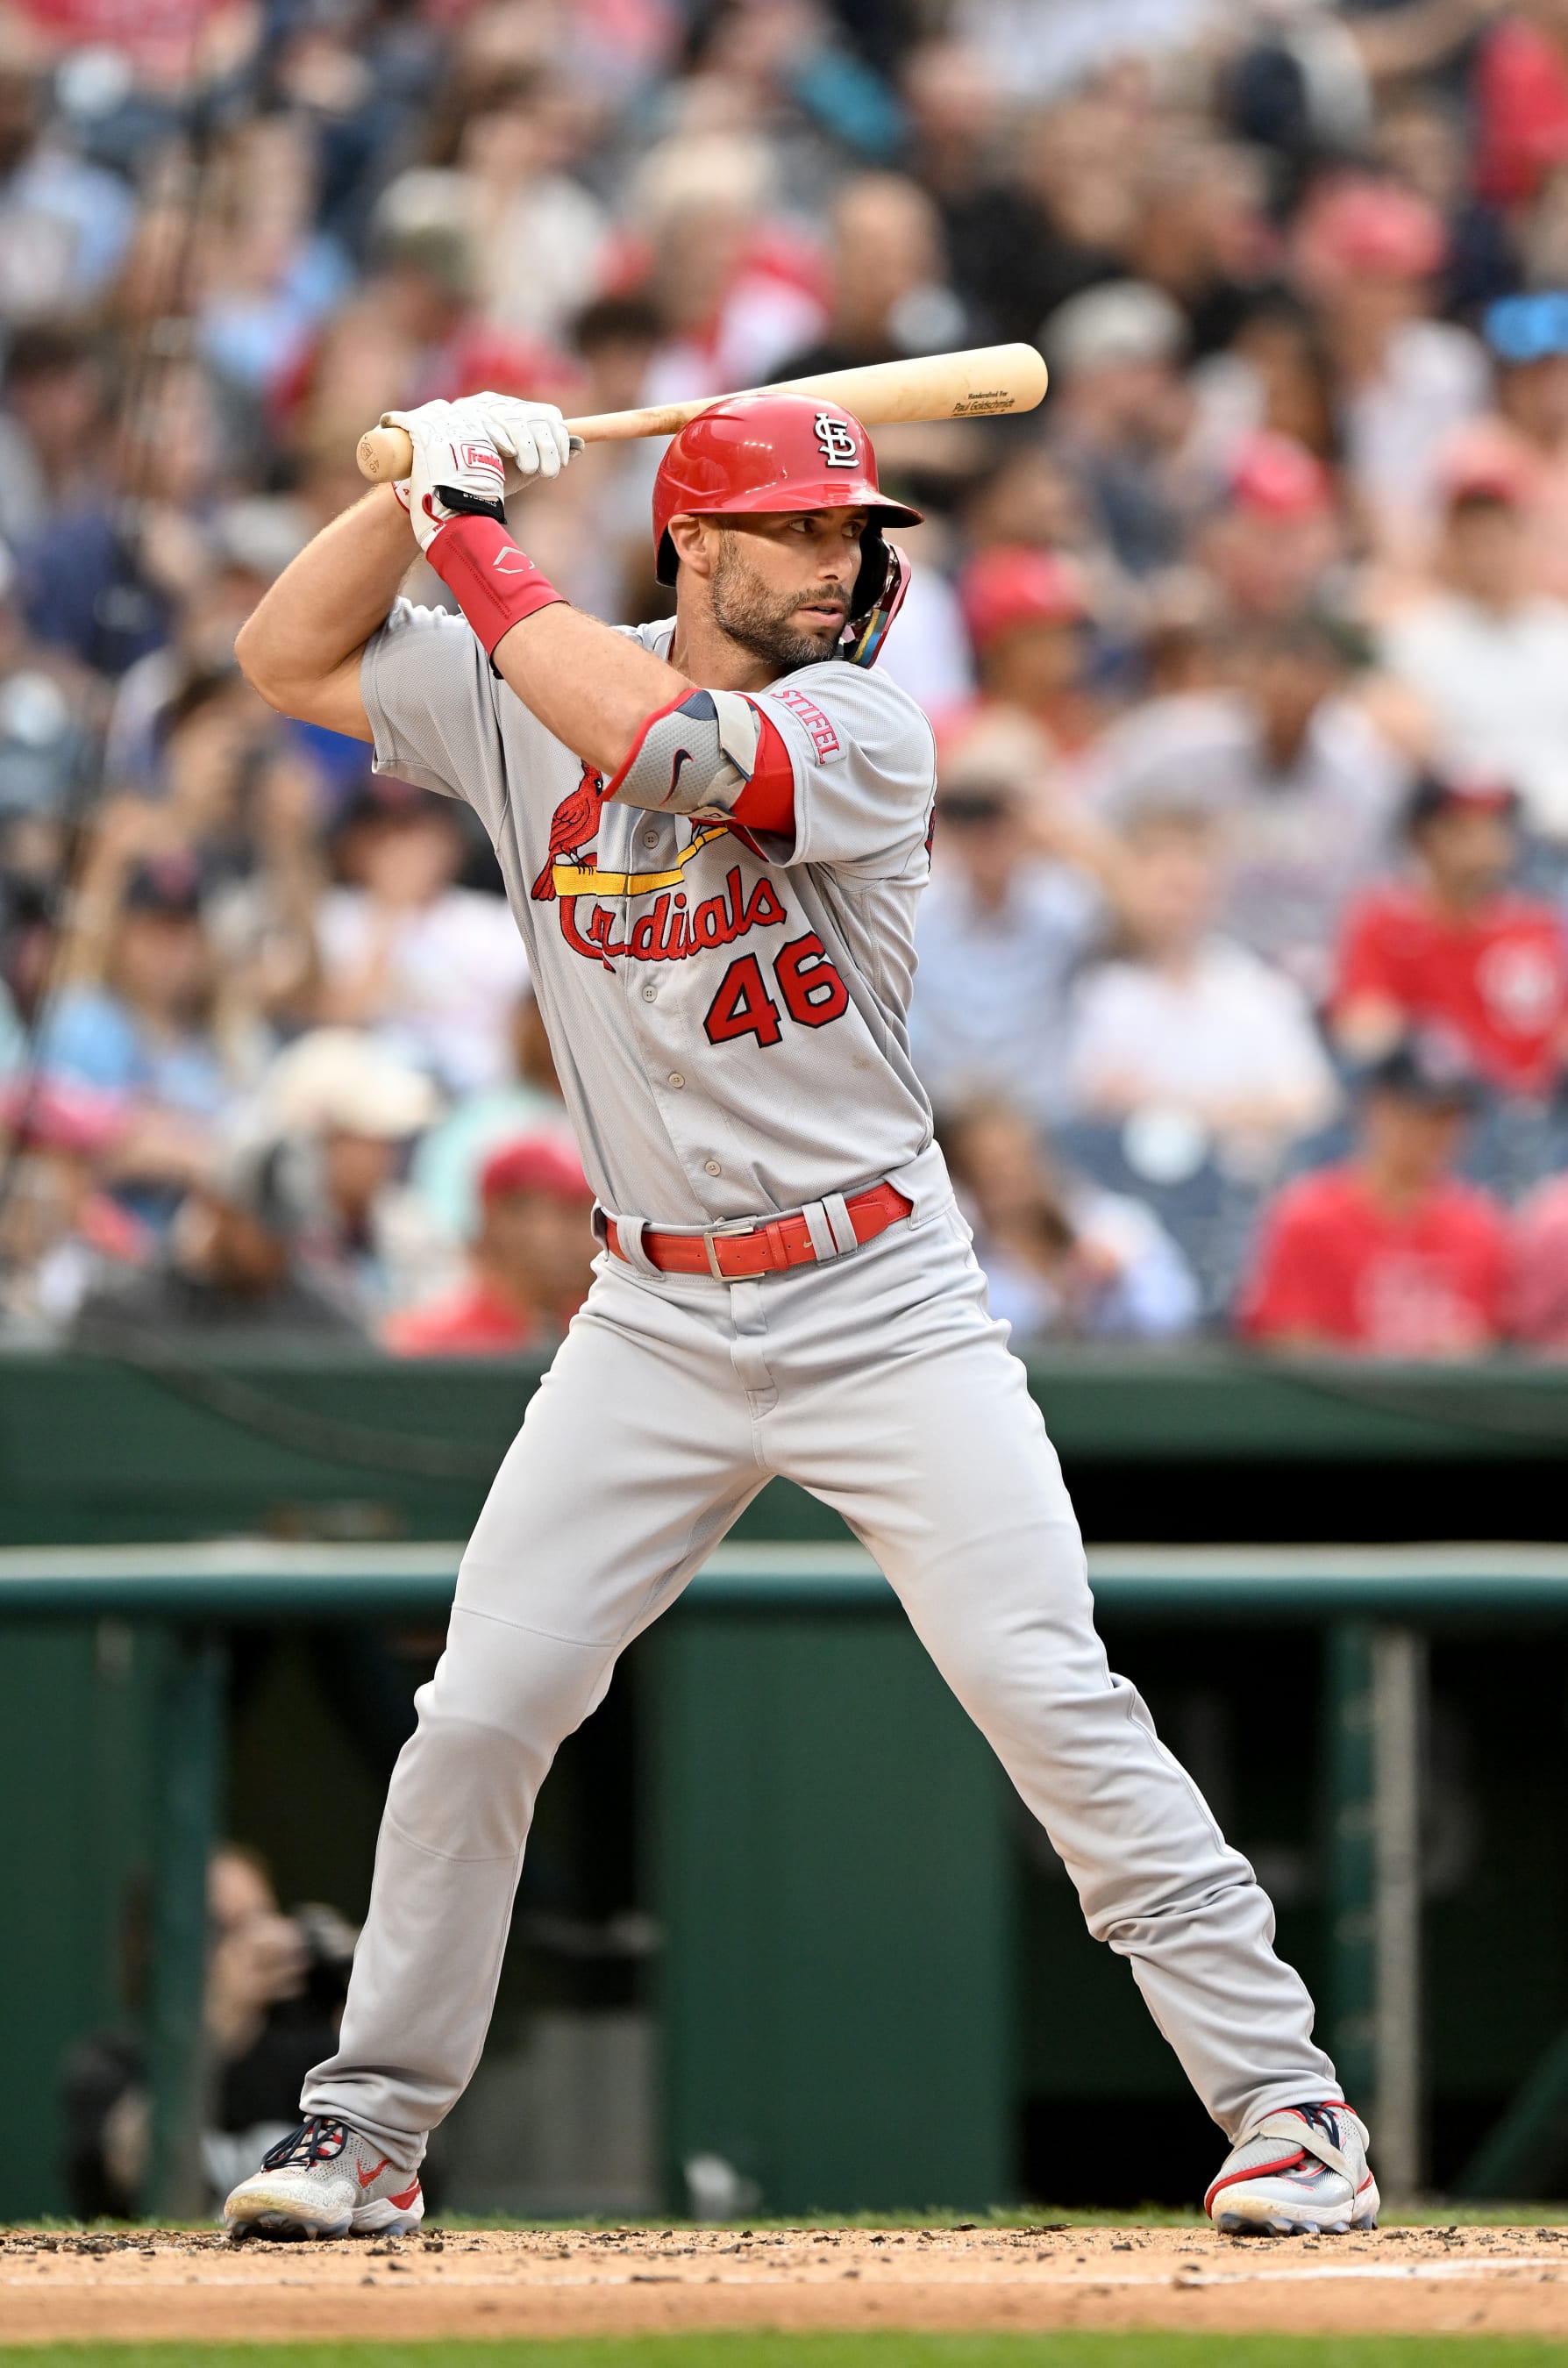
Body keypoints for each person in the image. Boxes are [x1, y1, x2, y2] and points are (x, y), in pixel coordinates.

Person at [220, 387, 1375, 2242]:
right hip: (648, 1316)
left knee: (1043, 1690)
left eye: (854, 536)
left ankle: (1287, 2106)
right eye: (802, 530)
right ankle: (365, 2126)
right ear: (695, 543)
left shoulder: (858, 727)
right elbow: (285, 652)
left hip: (879, 1295)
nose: (843, 563)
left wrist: (470, 529)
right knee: (482, 1712)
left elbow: (666, 745)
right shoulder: (523, 684)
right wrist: (413, 468)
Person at [1066, 805, 1340, 1170]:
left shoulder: (1258, 990)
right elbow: (1091, 1100)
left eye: (1189, 873)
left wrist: (1172, 1104)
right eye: (1160, 875)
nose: (1176, 887)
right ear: (1129, 885)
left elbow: (1312, 1102)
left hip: (1241, 1184)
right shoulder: (1105, 994)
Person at [1239, 1037, 1509, 1356]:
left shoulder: (1480, 1226)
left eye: (1450, 1117)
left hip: (1442, 1406)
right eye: (1422, 1114)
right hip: (1334, 1404)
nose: (1436, 1132)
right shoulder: (1309, 1218)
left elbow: (1494, 1342)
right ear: (1377, 1108)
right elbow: (1283, 1341)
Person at [1332, 774, 1568, 1099]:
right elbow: (1363, 1028)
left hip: (1532, 1115)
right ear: (1422, 837)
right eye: (1463, 828)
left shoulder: (1537, 925)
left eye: (1497, 824)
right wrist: (1434, 1049)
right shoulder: (1386, 921)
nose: (1487, 840)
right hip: (1434, 1109)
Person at [1378, 450, 1568, 845]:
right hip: (1460, 838)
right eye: (1473, 537)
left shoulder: (1559, 635)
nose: (1487, 552)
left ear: (1525, 538)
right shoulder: (1415, 639)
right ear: (1452, 544)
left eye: (1499, 535)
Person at [942, 1098, 1199, 1341]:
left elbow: (1176, 1311)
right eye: (988, 1167)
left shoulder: (1110, 1222)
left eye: (1018, 1159)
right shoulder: (958, 1255)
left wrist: (1120, 1277)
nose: (1010, 1176)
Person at [72, 1135, 366, 1345]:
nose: (277, 1247)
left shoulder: (327, 1327)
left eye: (287, 1231)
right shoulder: (129, 1308)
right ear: (218, 1207)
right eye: (264, 1228)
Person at [384, 1133, 595, 1356]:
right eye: (569, 1213)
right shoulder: (429, 1344)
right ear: (506, 1220)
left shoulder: (590, 1328)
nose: (590, 1240)